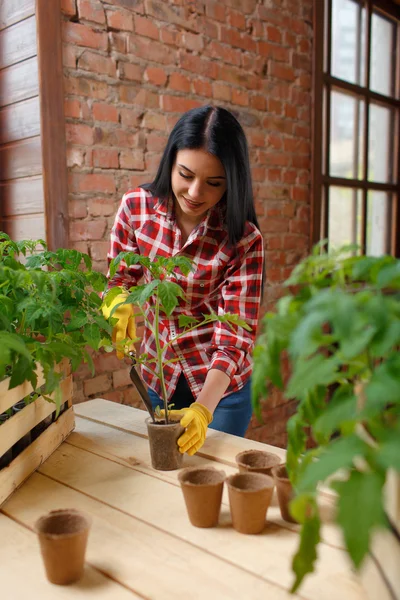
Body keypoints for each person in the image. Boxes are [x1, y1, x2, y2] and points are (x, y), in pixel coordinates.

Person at [103, 105, 264, 456]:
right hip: (159, 378)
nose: (194, 192)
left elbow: (236, 335)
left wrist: (204, 409)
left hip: (222, 392)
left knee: (213, 482)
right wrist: (116, 301)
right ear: (170, 162)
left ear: (232, 182)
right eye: (185, 174)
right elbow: (120, 276)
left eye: (213, 183)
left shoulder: (243, 239)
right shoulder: (136, 209)